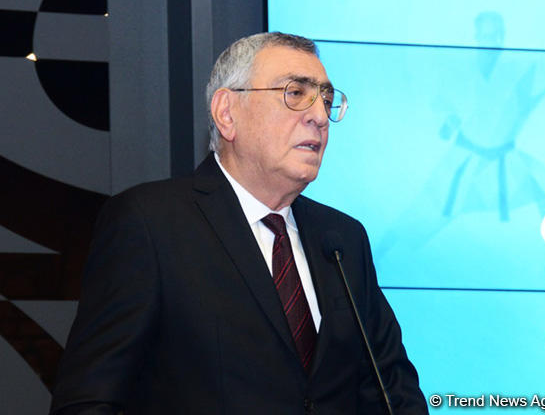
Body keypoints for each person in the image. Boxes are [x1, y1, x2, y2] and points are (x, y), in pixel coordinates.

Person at [49, 32, 428, 414]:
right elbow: (87, 400)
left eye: (327, 100)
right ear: (227, 113)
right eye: (296, 93)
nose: (319, 116)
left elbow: (394, 393)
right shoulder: (150, 224)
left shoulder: (343, 239)